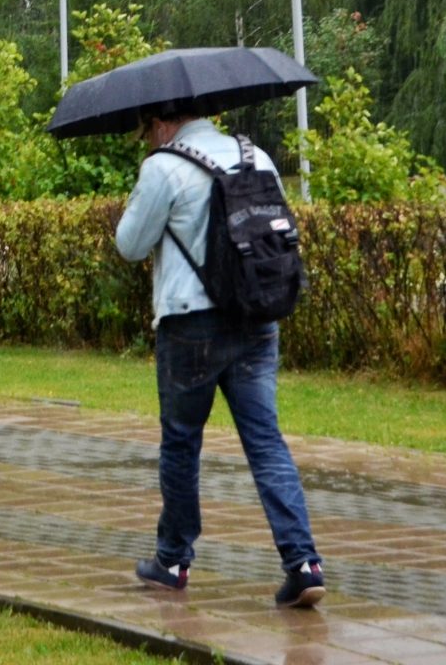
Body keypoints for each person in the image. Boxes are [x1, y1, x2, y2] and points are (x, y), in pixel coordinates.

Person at [114, 100, 324, 608]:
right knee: (265, 440)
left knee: (182, 443)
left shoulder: (164, 166)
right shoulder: (258, 157)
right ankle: (304, 563)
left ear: (164, 122)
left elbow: (129, 245)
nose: (147, 139)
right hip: (257, 318)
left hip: (192, 325)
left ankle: (172, 560)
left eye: (147, 129)